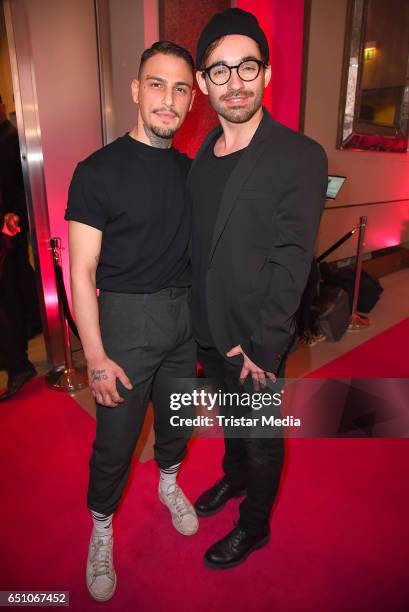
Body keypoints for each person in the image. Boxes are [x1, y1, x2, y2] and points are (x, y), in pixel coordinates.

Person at [189, 8, 328, 569]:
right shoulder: (201, 157)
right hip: (207, 330)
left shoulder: (300, 155)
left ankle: (256, 526)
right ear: (203, 84)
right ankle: (234, 478)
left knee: (262, 435)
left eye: (247, 66)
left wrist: (265, 342)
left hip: (255, 339)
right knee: (231, 421)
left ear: (267, 74)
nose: (235, 81)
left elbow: (293, 258)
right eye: (219, 71)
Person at [65, 41, 198, 602]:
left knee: (177, 420)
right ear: (136, 90)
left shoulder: (194, 172)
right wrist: (95, 356)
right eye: (157, 84)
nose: (168, 99)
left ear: (192, 101)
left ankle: (169, 483)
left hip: (184, 317)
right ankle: (102, 527)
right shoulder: (96, 171)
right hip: (124, 317)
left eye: (181, 88)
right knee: (116, 442)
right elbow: (81, 269)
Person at [0, 97, 37, 400]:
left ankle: (17, 363)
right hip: (7, 229)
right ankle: (17, 359)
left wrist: (14, 217)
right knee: (16, 289)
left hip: (8, 230)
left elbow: (20, 185)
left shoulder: (10, 137)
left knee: (10, 295)